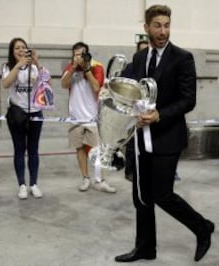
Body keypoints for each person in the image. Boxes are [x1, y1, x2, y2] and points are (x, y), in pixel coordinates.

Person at [115, 5, 214, 263]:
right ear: (146, 27)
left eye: (167, 25)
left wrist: (160, 114)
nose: (163, 31)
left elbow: (188, 100)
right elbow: (126, 88)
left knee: (162, 194)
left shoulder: (183, 58)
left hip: (167, 138)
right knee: (141, 197)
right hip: (140, 139)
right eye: (157, 25)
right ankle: (145, 248)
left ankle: (202, 226)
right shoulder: (138, 59)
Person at [61, 42, 116, 193]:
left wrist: (86, 69)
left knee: (96, 150)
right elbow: (63, 84)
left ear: (87, 54)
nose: (78, 57)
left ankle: (100, 180)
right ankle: (85, 178)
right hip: (75, 117)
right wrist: (73, 68)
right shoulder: (69, 67)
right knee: (79, 149)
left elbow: (96, 87)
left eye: (81, 54)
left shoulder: (96, 66)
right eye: (75, 54)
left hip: (91, 117)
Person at [2, 37, 48, 199]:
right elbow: (6, 83)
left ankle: (34, 184)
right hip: (17, 114)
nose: (21, 50)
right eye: (17, 48)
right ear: (12, 51)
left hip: (35, 112)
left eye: (23, 48)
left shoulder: (34, 67)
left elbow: (46, 81)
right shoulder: (8, 66)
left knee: (34, 150)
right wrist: (18, 66)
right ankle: (21, 184)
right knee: (19, 150)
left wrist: (36, 62)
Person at [121, 37, 149, 182]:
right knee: (132, 142)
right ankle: (129, 171)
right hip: (133, 110)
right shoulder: (131, 67)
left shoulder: (153, 66)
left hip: (149, 110)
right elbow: (123, 86)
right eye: (142, 50)